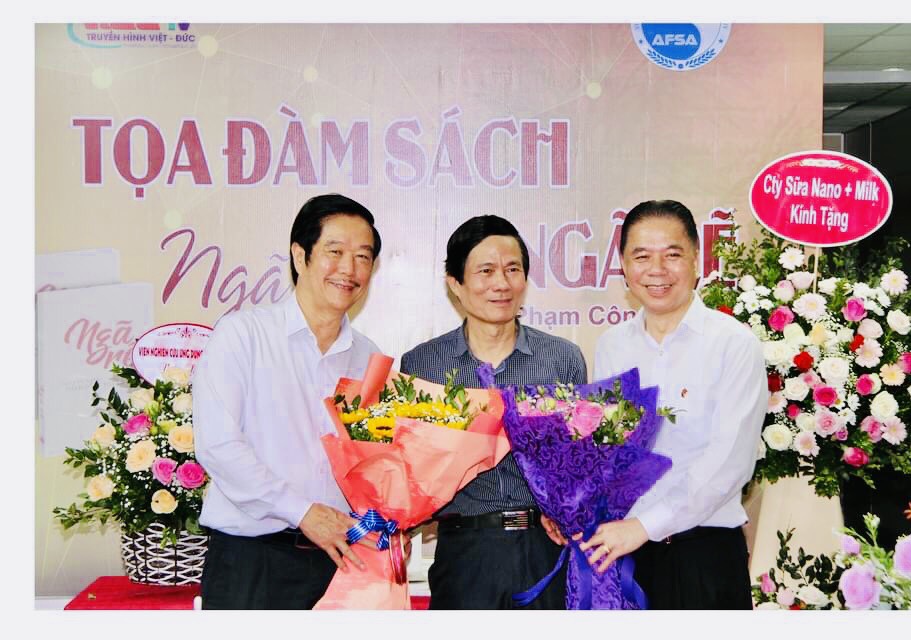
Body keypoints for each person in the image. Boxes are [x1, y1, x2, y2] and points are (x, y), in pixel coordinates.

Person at [194, 194, 383, 609]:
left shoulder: (369, 358)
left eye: (363, 256)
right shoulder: (242, 335)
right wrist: (302, 512)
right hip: (252, 562)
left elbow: (371, 461)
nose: (349, 269)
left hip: (340, 562)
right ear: (300, 255)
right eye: (335, 252)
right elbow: (219, 446)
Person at [578, 199, 767, 609]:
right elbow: (607, 450)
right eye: (642, 256)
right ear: (623, 266)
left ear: (697, 259)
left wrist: (645, 526)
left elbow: (729, 464)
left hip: (703, 556)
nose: (657, 270)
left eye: (672, 254)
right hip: (626, 557)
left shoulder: (733, 344)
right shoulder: (612, 346)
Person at [400, 215, 587, 609]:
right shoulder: (423, 365)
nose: (501, 283)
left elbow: (580, 462)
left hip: (544, 548)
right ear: (455, 284)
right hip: (464, 552)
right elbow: (412, 470)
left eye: (512, 269)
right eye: (485, 271)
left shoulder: (562, 359)